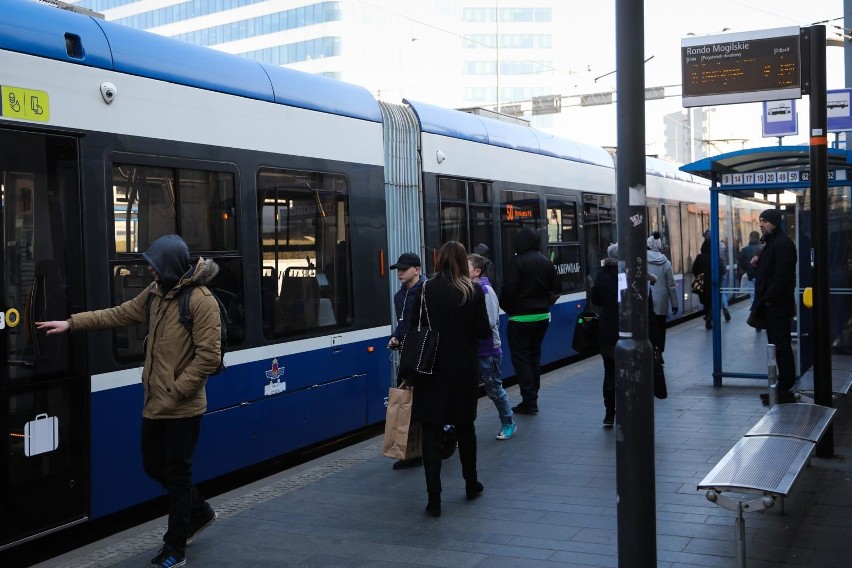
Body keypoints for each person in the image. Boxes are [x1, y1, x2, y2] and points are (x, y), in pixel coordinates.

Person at [36, 235, 219, 568]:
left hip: (183, 406)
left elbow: (209, 357)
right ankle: (201, 511)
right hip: (155, 403)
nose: (148, 269)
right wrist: (71, 323)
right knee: (153, 465)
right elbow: (116, 315)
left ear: (168, 266)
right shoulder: (154, 295)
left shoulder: (201, 301)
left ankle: (174, 549)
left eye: (153, 264)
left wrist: (178, 390)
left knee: (178, 475)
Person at [411, 241, 490, 517]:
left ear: (439, 260)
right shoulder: (473, 290)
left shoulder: (425, 288)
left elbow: (414, 325)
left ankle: (434, 497)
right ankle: (471, 483)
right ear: (461, 261)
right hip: (464, 370)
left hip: (431, 367)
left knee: (431, 432)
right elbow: (482, 331)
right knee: (465, 428)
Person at [499, 227, 561, 415]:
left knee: (522, 360)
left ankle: (529, 401)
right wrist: (545, 304)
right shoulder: (546, 262)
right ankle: (533, 397)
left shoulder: (517, 262)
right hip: (542, 317)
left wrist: (509, 308)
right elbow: (557, 289)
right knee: (534, 357)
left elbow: (508, 290)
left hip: (520, 319)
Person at [751, 209, 798, 404]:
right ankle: (780, 388)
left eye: (765, 221)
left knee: (782, 347)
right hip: (772, 305)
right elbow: (769, 271)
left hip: (777, 306)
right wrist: (757, 264)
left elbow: (783, 275)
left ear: (775, 223)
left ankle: (785, 389)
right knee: (776, 347)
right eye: (760, 221)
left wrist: (769, 299)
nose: (761, 225)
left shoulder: (783, 244)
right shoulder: (772, 243)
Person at [468, 253, 516, 440]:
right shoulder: (472, 288)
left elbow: (489, 321)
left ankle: (508, 422)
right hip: (475, 349)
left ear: (477, 271)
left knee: (494, 389)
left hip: (487, 349)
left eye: (467, 266)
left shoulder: (485, 290)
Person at [387, 252, 427, 470]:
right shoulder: (399, 296)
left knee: (422, 403)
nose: (400, 273)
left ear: (417, 270)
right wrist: (395, 338)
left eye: (404, 269)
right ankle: (412, 451)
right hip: (408, 357)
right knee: (408, 404)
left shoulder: (427, 291)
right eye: (398, 269)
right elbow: (404, 325)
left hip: (425, 356)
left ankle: (440, 439)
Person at [590, 243, 620, 426]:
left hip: (607, 331)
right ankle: (627, 410)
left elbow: (595, 299)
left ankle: (609, 414)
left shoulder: (602, 275)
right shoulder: (629, 274)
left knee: (609, 372)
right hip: (628, 330)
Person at [646, 233, 678, 362]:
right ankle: (660, 352)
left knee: (649, 327)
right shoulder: (666, 263)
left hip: (648, 300)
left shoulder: (641, 260)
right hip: (662, 302)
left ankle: (651, 350)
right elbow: (671, 286)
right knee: (660, 327)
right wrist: (674, 304)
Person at [704, 229, 731, 321]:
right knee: (722, 290)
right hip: (723, 270)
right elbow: (725, 257)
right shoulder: (722, 245)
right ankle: (724, 307)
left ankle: (712, 312)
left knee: (713, 291)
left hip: (713, 271)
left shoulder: (711, 246)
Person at [692, 238, 715, 329]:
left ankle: (707, 316)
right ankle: (710, 316)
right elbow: (721, 269)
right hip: (713, 283)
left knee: (705, 302)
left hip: (702, 284)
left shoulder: (699, 257)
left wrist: (699, 276)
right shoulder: (714, 256)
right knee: (712, 301)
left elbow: (694, 269)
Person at [738, 230, 762, 303]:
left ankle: (754, 311)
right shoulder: (763, 248)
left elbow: (741, 263)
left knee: (753, 296)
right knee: (760, 295)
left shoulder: (744, 249)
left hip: (750, 275)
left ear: (750, 238)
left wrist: (748, 269)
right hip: (761, 276)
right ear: (758, 238)